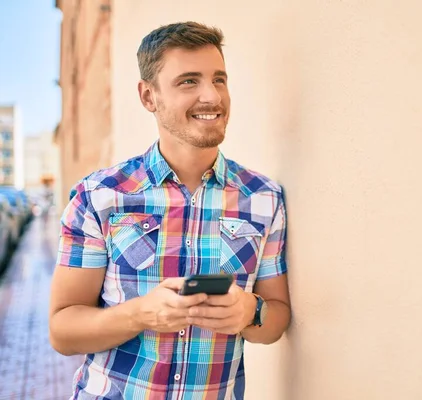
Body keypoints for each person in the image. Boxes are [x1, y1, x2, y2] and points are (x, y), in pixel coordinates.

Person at [49, 21, 290, 400]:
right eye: (189, 81)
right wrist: (140, 314)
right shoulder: (99, 195)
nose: (212, 96)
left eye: (219, 79)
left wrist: (249, 311)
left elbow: (276, 320)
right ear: (148, 96)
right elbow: (63, 331)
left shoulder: (264, 198)